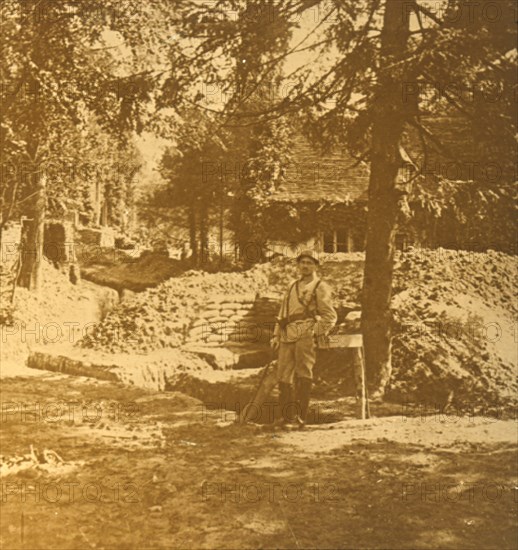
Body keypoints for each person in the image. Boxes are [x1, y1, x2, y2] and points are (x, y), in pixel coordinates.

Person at [270, 249, 337, 428]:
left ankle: (301, 418)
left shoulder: (320, 286)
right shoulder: (292, 285)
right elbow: (282, 312)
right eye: (302, 262)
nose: (305, 266)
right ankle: (286, 418)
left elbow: (330, 316)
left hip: (305, 334)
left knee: (303, 374)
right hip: (287, 334)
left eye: (309, 263)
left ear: (316, 265)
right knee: (283, 376)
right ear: (298, 265)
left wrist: (316, 332)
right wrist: (276, 334)